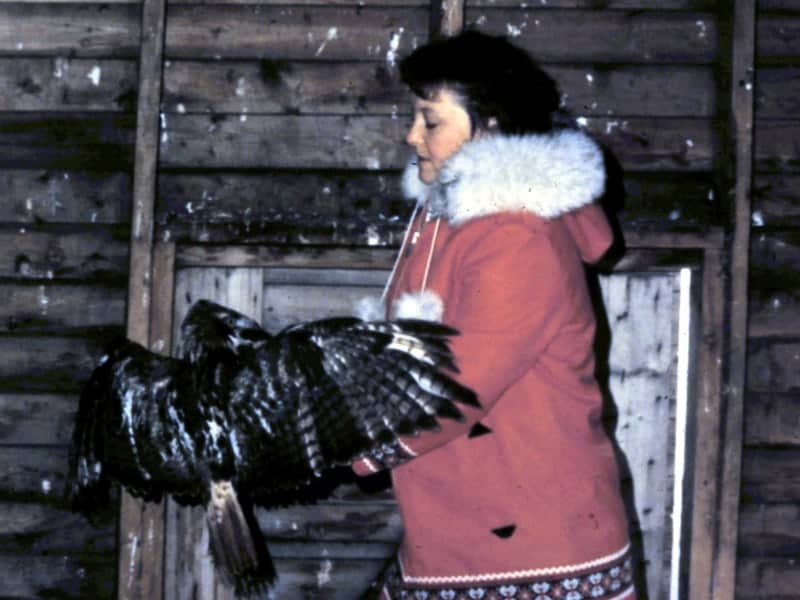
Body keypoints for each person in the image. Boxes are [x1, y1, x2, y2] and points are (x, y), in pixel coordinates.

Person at [353, 30, 635, 600]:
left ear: (492, 128)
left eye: (431, 121)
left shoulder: (517, 234)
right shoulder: (452, 220)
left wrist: (336, 446)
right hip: (466, 524)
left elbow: (458, 380)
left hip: (531, 542)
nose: (412, 136)